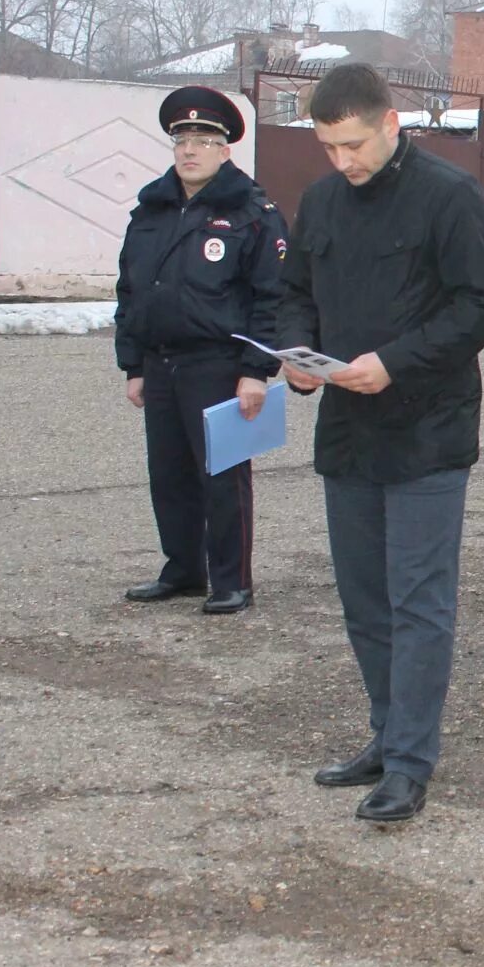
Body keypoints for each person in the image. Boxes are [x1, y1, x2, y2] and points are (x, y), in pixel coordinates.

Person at [277, 65, 484, 824]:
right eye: (327, 147)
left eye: (352, 145)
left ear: (390, 123)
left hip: (427, 429)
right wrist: (298, 355)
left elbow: (483, 305)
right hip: (346, 427)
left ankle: (410, 763)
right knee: (365, 601)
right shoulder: (320, 201)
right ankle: (385, 735)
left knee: (418, 603)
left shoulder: (449, 197)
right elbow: (295, 296)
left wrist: (396, 362)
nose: (342, 162)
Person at [116, 87, 288, 616]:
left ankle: (232, 580)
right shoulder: (152, 208)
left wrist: (257, 371)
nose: (191, 150)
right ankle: (183, 568)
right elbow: (131, 290)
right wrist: (133, 364)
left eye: (204, 140)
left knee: (223, 477)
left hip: (220, 364)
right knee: (168, 474)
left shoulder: (252, 212)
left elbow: (272, 297)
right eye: (182, 139)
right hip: (162, 361)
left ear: (225, 150)